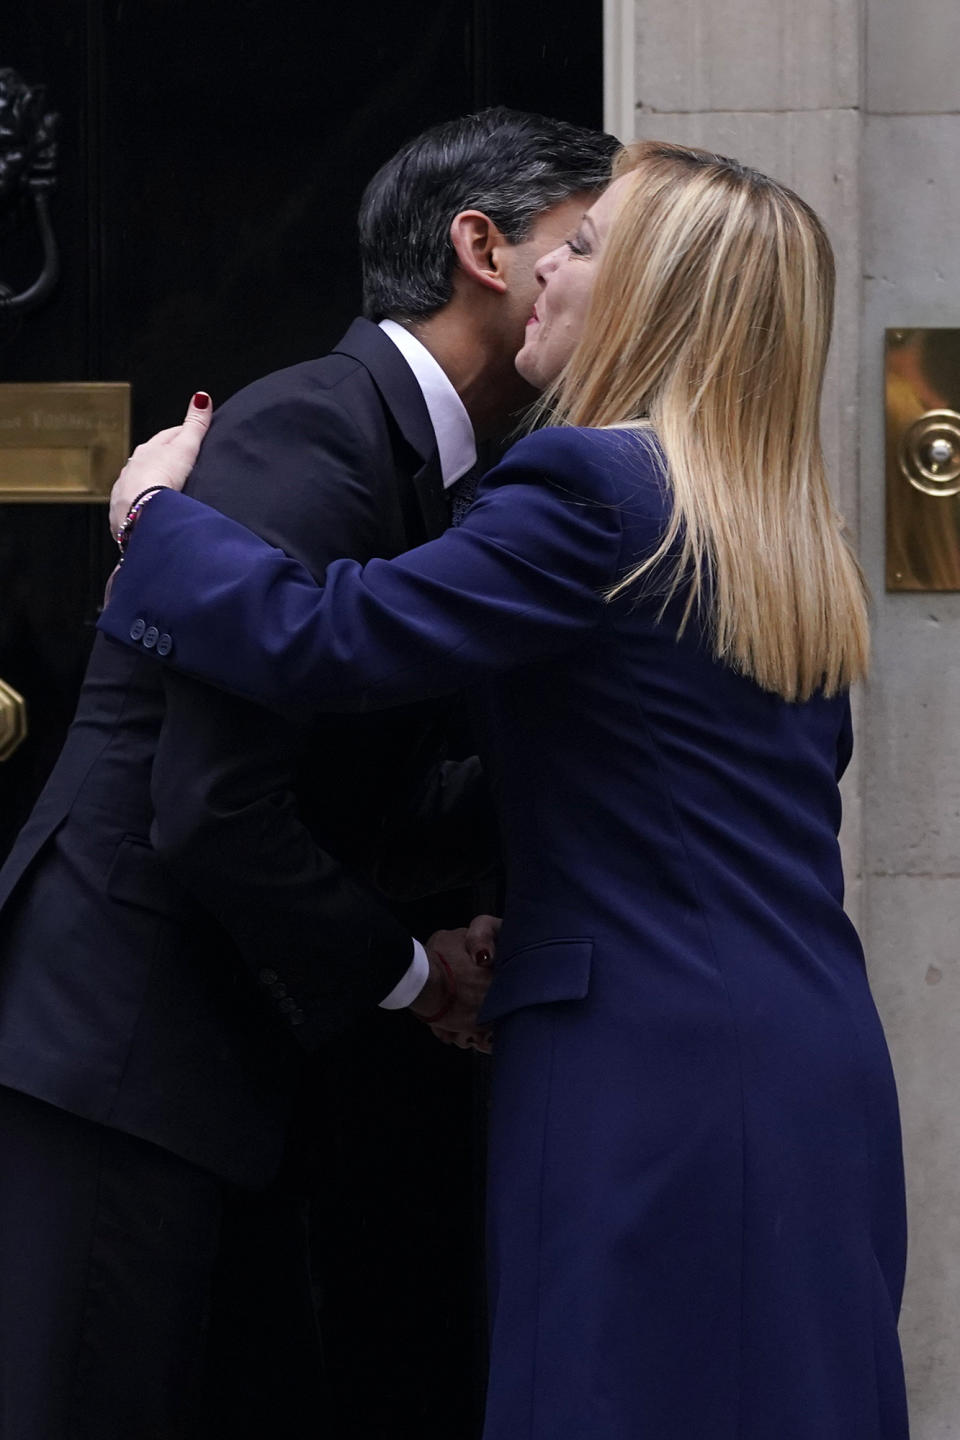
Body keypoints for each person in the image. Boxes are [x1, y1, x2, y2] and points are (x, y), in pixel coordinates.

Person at [102, 140, 909, 1440]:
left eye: (590, 247)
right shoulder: (777, 533)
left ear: (653, 294)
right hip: (805, 1056)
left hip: (648, 1069)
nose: (552, 262)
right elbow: (661, 802)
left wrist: (157, 517)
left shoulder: (591, 488)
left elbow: (328, 638)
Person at [0, 108, 617, 1440]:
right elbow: (214, 803)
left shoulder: (455, 468)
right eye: (590, 242)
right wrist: (411, 971)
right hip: (120, 1053)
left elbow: (367, 758)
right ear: (487, 254)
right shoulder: (316, 430)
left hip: (214, 1071)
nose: (616, 281)